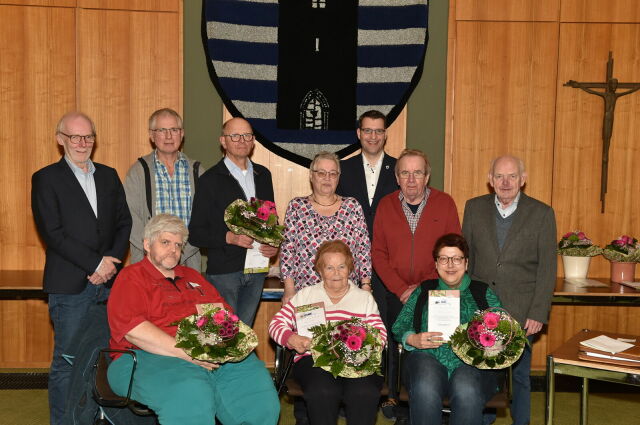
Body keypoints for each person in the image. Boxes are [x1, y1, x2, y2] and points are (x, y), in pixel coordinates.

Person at [107, 214, 280, 425]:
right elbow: (135, 330)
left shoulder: (193, 276)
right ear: (146, 244)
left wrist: (230, 346)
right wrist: (189, 353)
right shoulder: (131, 277)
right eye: (165, 242)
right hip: (144, 356)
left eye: (178, 245)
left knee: (258, 394)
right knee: (191, 395)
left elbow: (223, 318)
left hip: (208, 352)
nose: (173, 249)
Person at [31, 111, 132, 425]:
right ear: (61, 139)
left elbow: (124, 223)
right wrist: (96, 263)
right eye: (74, 136)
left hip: (108, 284)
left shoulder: (108, 174)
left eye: (88, 136)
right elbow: (53, 232)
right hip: (70, 286)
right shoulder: (45, 178)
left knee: (101, 358)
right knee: (69, 362)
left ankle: (95, 417)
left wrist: (110, 264)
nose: (82, 142)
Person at [462, 155, 557, 425]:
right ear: (490, 180)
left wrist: (538, 312)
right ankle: (483, 420)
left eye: (512, 176)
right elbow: (465, 260)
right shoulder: (473, 208)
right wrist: (466, 305)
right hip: (482, 308)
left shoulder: (542, 214)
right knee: (481, 373)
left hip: (522, 311)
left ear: (522, 180)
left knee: (519, 376)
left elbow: (548, 269)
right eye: (500, 177)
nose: (506, 182)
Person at [270, 240, 386, 425]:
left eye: (341, 266)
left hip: (356, 360)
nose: (336, 273)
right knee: (323, 391)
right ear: (320, 271)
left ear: (350, 268)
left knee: (364, 392)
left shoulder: (364, 298)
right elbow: (276, 323)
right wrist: (291, 337)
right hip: (314, 358)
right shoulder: (306, 295)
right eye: (329, 268)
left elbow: (380, 333)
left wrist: (366, 347)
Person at [392, 233, 502, 425]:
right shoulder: (424, 290)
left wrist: (487, 346)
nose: (450, 265)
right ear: (436, 264)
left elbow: (502, 333)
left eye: (457, 259)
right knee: (425, 387)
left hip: (470, 363)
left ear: (466, 263)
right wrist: (412, 339)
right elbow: (399, 326)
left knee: (466, 390)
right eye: (444, 259)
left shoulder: (482, 292)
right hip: (427, 356)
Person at [335, 110, 401, 418]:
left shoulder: (401, 169)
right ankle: (354, 390)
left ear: (385, 134)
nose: (373, 136)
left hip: (391, 263)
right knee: (353, 325)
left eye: (379, 131)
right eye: (367, 131)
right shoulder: (342, 170)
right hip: (351, 265)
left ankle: (390, 393)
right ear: (358, 134)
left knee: (388, 328)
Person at [189, 117, 278, 326]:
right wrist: (229, 237)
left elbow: (271, 220)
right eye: (234, 136)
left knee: (244, 332)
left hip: (256, 270)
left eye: (247, 135)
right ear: (223, 141)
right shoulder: (210, 180)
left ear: (253, 140)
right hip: (224, 272)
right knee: (223, 335)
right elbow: (195, 232)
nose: (241, 141)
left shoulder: (263, 175)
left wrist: (273, 244)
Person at [280, 151, 372, 305]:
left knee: (348, 330)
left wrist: (366, 286)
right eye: (321, 173)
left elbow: (364, 250)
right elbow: (287, 251)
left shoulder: (352, 206)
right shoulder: (297, 207)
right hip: (306, 294)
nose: (327, 178)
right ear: (311, 175)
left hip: (348, 294)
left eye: (332, 173)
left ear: (338, 177)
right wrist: (289, 289)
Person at [372, 148, 461, 305]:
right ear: (397, 178)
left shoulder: (445, 203)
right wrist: (400, 289)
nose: (411, 179)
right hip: (395, 295)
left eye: (418, 173)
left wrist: (421, 288)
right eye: (405, 173)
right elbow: (378, 254)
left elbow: (453, 253)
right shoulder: (385, 205)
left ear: (426, 177)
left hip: (436, 292)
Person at [124, 108, 203, 270]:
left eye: (174, 130)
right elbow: (130, 217)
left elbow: (205, 219)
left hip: (187, 260)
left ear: (181, 134)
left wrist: (179, 252)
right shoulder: (138, 171)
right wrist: (156, 252)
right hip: (148, 262)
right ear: (152, 135)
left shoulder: (197, 171)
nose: (169, 136)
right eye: (162, 130)